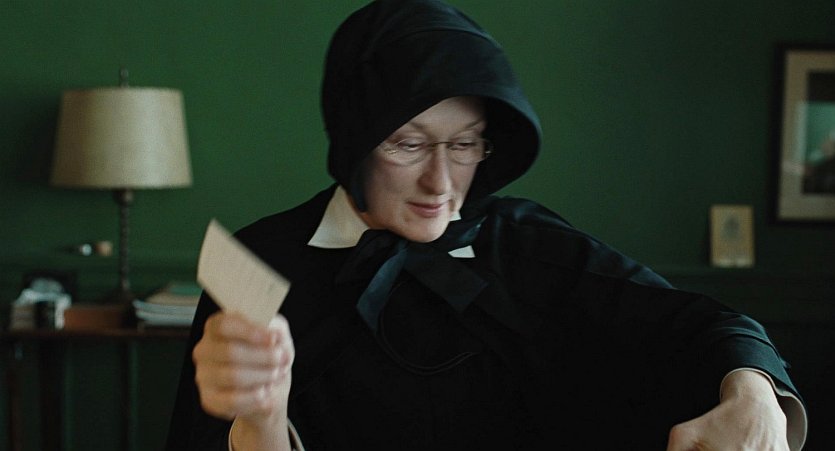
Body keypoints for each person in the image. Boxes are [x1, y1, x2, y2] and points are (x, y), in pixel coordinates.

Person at [166, 0, 807, 449]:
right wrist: (259, 420)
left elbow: (703, 326)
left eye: (465, 144)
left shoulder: (527, 244)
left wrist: (754, 395)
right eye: (408, 144)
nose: (441, 182)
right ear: (352, 139)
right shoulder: (258, 261)